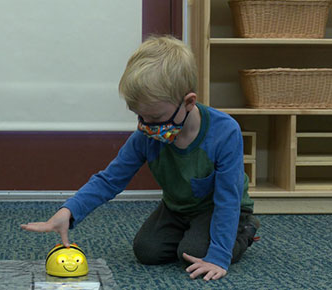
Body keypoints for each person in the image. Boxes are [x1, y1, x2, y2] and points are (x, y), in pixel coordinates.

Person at [21, 35, 260, 281]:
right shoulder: (147, 135)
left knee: (195, 252)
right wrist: (69, 211)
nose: (147, 126)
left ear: (188, 102)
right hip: (178, 208)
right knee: (147, 251)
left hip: (221, 207)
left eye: (155, 118)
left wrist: (219, 256)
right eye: (140, 117)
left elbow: (228, 198)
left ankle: (245, 230)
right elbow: (110, 180)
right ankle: (195, 232)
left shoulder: (225, 132)